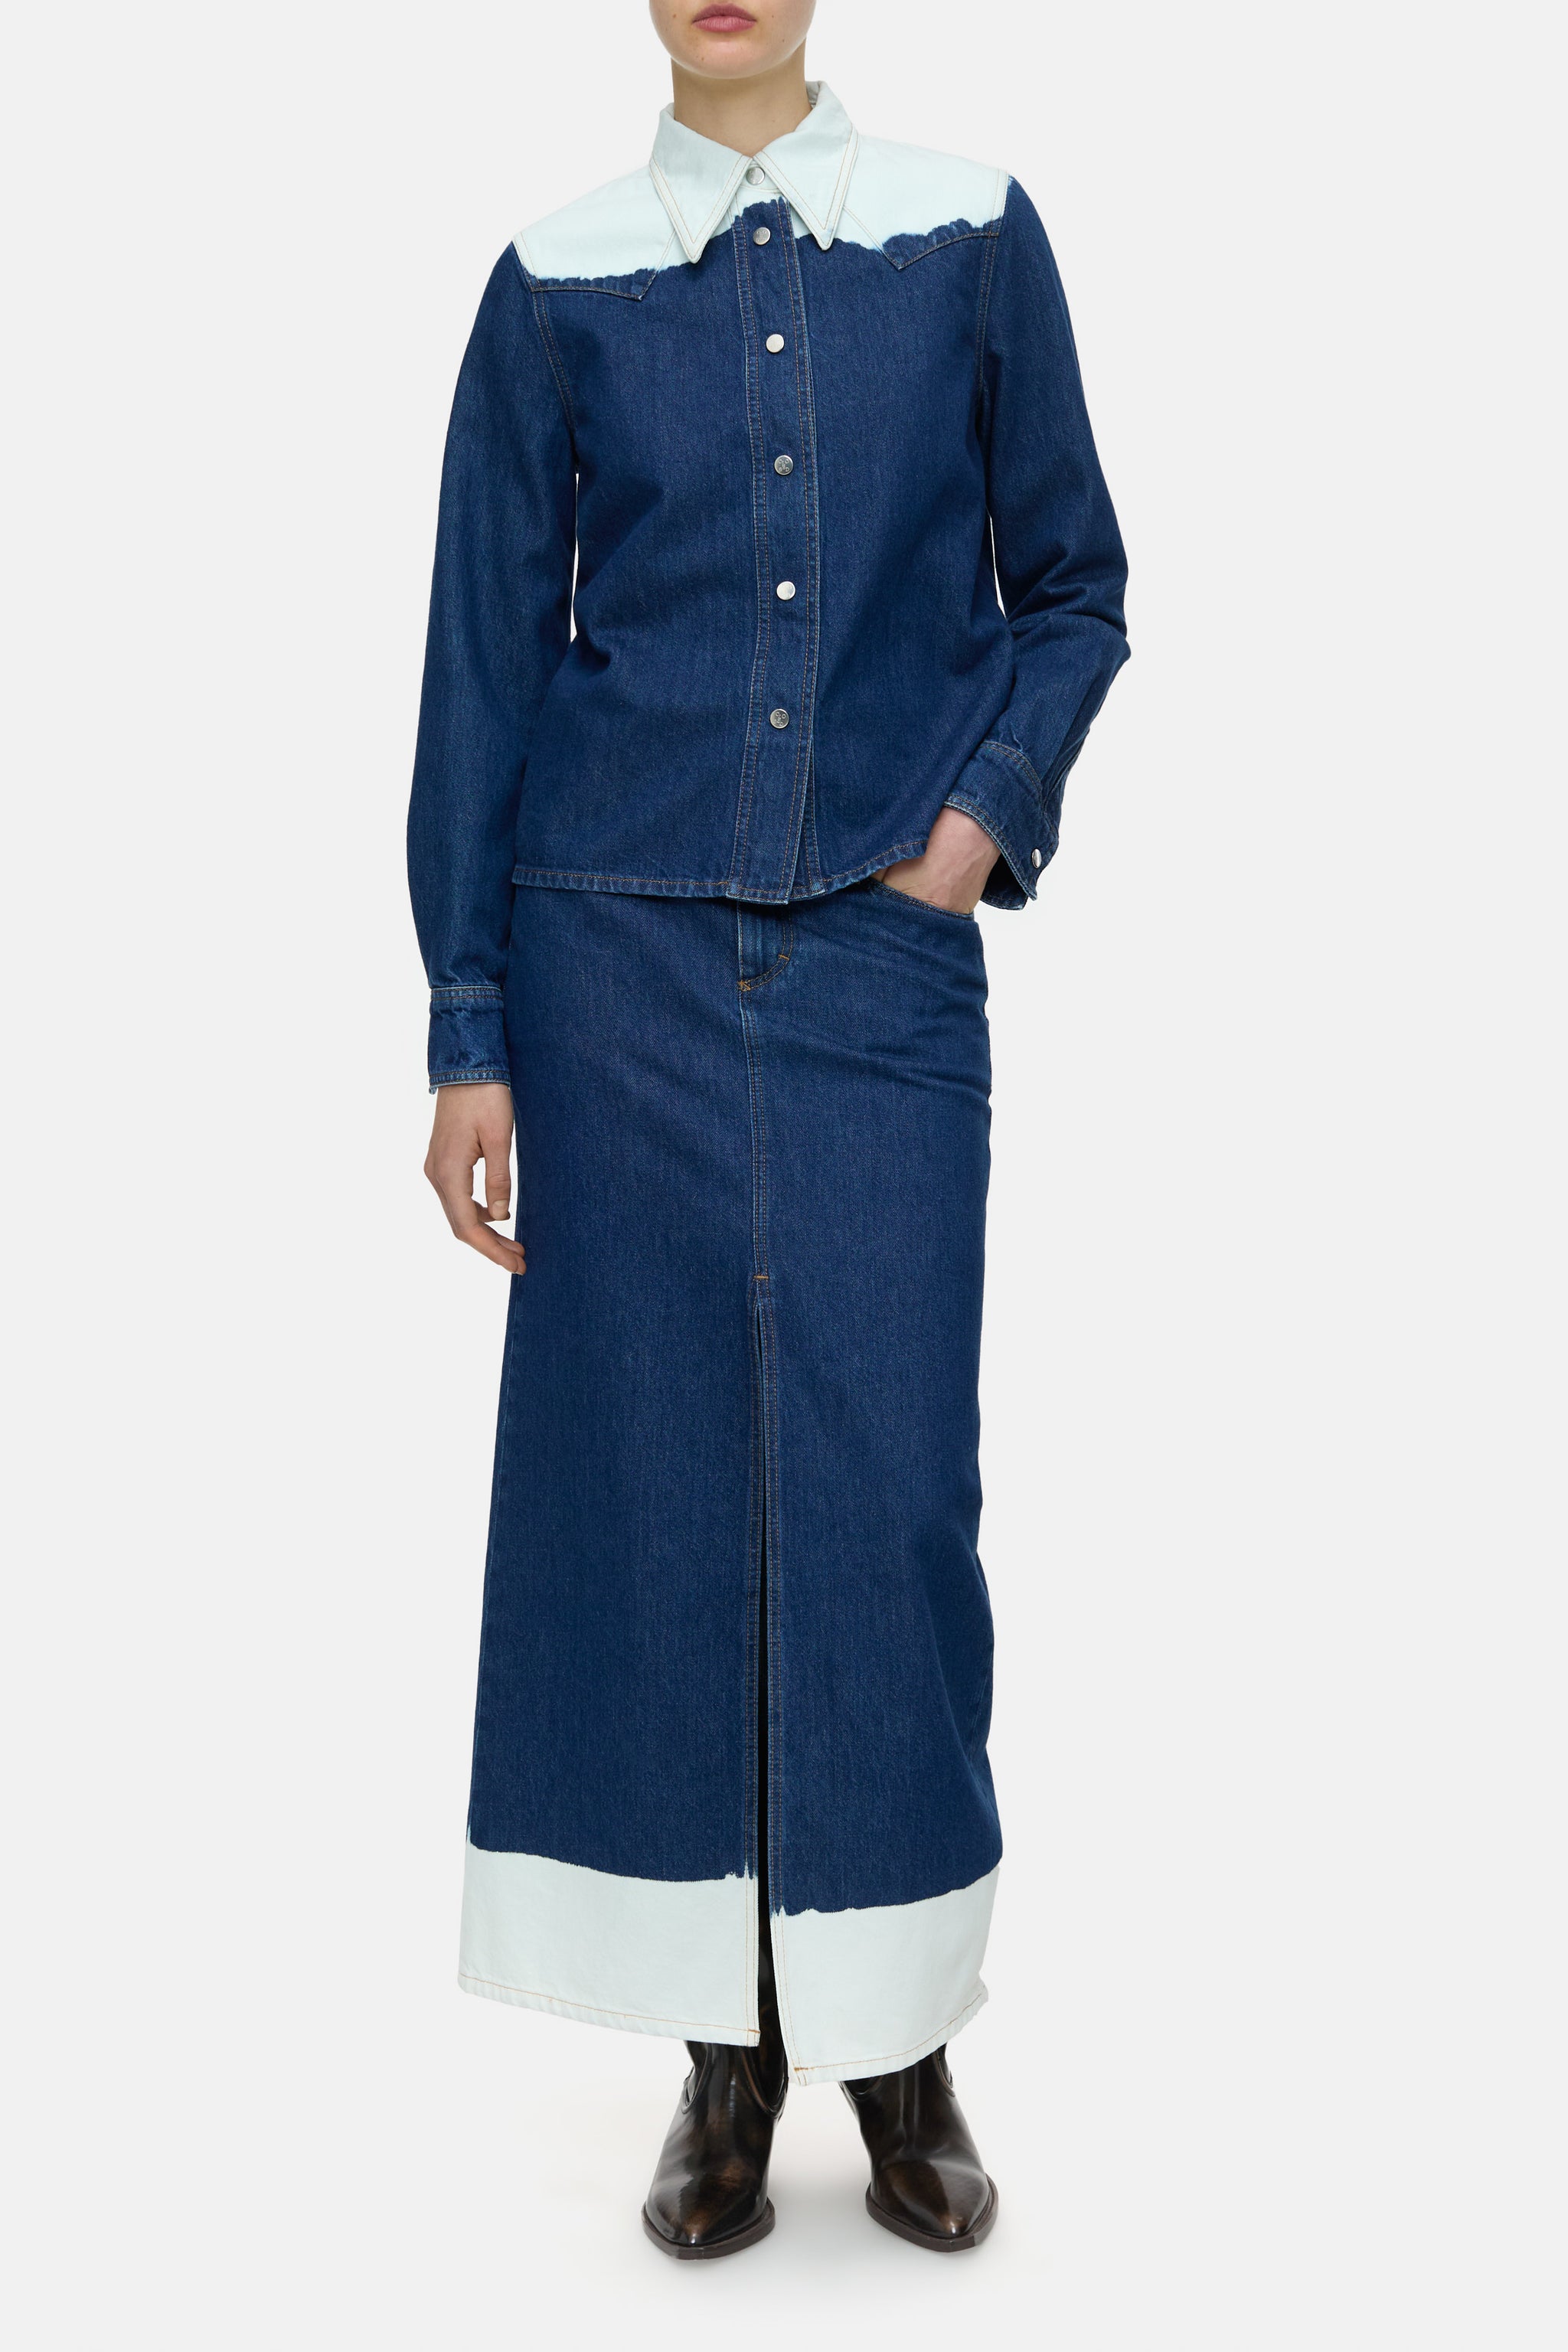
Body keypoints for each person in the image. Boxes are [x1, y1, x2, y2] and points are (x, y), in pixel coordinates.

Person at [407, 0, 1127, 2259]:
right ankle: (726, 2052)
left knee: (890, 1492)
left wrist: (971, 829)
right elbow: (485, 666)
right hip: (606, 971)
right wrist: (468, 1029)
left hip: (879, 971)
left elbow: (1075, 589)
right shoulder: (554, 280)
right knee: (656, 1492)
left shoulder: (970, 234)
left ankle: (900, 2036)